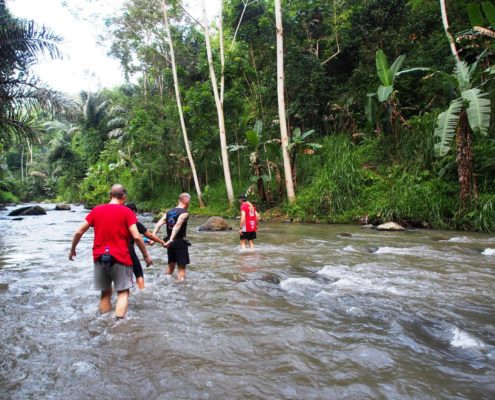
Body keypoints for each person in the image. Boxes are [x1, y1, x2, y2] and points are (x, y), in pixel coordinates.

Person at [68, 184, 153, 319]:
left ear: (110, 195)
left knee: (105, 293)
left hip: (99, 257)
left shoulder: (96, 210)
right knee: (123, 293)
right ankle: (118, 325)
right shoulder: (127, 212)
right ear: (124, 197)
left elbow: (79, 232)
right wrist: (146, 256)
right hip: (121, 257)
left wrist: (72, 250)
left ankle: (103, 322)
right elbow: (137, 236)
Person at [125, 203, 167, 289]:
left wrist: (146, 241)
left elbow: (136, 237)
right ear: (133, 211)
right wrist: (162, 242)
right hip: (129, 252)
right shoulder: (135, 223)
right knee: (139, 274)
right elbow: (149, 235)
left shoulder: (120, 222)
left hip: (114, 251)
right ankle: (141, 291)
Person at [153, 193, 191, 282]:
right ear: (187, 202)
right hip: (179, 242)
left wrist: (153, 237)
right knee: (181, 269)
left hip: (170, 244)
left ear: (179, 200)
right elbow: (177, 225)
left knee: (170, 267)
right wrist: (171, 239)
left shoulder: (169, 212)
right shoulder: (185, 213)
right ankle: (179, 290)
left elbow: (158, 224)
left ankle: (163, 283)